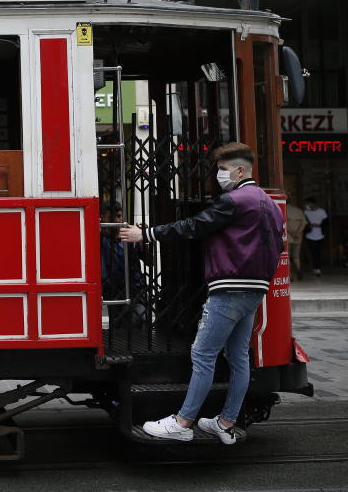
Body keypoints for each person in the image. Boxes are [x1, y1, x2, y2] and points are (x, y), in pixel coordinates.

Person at [118, 142, 283, 445]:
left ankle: (183, 422)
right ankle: (226, 421)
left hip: (229, 288)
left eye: (222, 169)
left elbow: (194, 226)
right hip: (255, 289)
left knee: (203, 354)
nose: (219, 176)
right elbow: (280, 245)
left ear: (240, 169)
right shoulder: (268, 203)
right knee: (237, 357)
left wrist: (147, 233)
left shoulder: (234, 200)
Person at [100, 202, 145, 328]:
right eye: (112, 217)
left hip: (133, 289)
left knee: (137, 318)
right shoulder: (100, 238)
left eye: (119, 216)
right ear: (103, 218)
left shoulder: (130, 237)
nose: (117, 220)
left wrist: (143, 239)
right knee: (117, 327)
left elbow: (148, 261)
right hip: (112, 290)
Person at [304, 197, 327, 278]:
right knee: (312, 252)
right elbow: (304, 223)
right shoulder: (306, 212)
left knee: (318, 252)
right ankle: (315, 268)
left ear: (313, 204)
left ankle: (318, 268)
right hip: (310, 236)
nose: (307, 205)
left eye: (308, 203)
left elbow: (326, 223)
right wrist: (309, 226)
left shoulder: (322, 212)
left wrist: (318, 225)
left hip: (320, 235)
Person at [285, 196, 307, 280]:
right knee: (296, 256)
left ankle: (289, 275)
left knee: (287, 255)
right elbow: (304, 222)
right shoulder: (298, 210)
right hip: (298, 236)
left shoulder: (283, 209)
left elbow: (284, 222)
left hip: (288, 236)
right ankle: (298, 272)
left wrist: (291, 233)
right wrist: (298, 233)